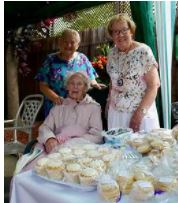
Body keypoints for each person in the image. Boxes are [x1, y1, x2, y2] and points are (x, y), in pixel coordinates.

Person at [106, 14, 160, 132]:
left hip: (140, 114)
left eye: (124, 30)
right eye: (115, 31)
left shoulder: (143, 51)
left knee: (142, 148)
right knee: (118, 149)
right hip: (116, 113)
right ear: (112, 35)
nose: (120, 35)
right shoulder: (111, 53)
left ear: (131, 31)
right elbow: (113, 82)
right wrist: (108, 103)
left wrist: (139, 115)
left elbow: (154, 85)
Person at [35, 28, 103, 117]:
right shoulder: (50, 60)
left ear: (78, 45)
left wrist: (94, 84)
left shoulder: (83, 59)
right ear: (59, 42)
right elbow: (43, 86)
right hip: (56, 108)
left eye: (72, 42)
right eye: (65, 41)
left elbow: (91, 77)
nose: (68, 45)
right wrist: (56, 98)